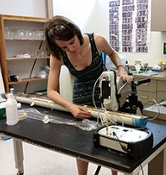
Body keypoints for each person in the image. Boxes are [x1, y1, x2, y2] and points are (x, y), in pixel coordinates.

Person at [44, 15, 131, 175]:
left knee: (112, 138)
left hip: (106, 94)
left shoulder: (97, 41)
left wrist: (120, 67)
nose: (70, 49)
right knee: (81, 142)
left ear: (76, 33)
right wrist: (70, 107)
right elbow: (51, 91)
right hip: (80, 100)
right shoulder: (57, 55)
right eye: (64, 47)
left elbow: (112, 53)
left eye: (72, 42)